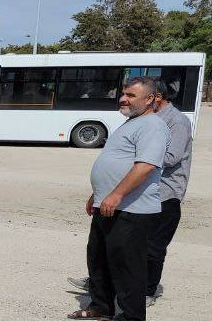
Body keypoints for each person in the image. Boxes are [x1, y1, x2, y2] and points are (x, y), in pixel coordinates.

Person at [65, 81, 193, 305]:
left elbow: (170, 157)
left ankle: (146, 291)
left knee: (151, 247)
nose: (123, 99)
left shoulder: (175, 121)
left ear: (155, 97)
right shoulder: (138, 119)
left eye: (131, 95)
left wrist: (139, 155)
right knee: (117, 246)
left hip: (164, 193)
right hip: (132, 190)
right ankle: (106, 287)